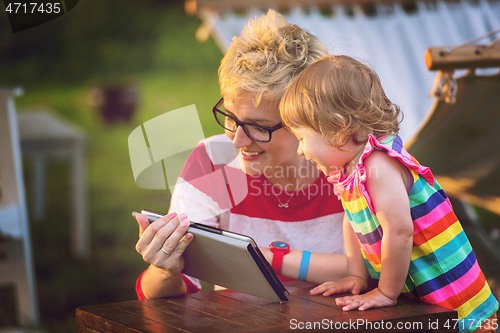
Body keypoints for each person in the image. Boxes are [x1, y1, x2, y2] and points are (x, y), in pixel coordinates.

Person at [134, 9, 348, 300]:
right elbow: (167, 298)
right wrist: (164, 270)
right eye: (232, 118)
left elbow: (395, 271)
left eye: (258, 127)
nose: (237, 140)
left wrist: (269, 258)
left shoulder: (353, 166)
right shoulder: (212, 161)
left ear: (309, 120)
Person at [279, 55, 499, 333]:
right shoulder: (350, 170)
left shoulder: (378, 164)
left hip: (454, 297)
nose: (300, 150)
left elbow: (399, 231)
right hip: (427, 300)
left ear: (336, 129)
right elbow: (352, 220)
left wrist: (385, 293)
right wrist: (356, 274)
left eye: (302, 139)